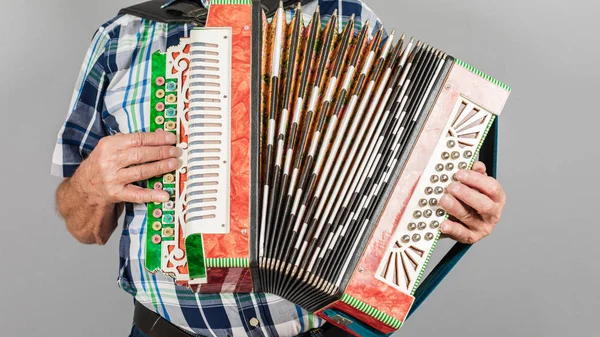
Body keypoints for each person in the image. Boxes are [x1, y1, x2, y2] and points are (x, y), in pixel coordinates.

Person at [52, 0, 507, 336]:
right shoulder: (122, 37)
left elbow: (392, 174)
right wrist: (91, 184)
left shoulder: (350, 18)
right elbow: (84, 226)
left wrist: (449, 209)